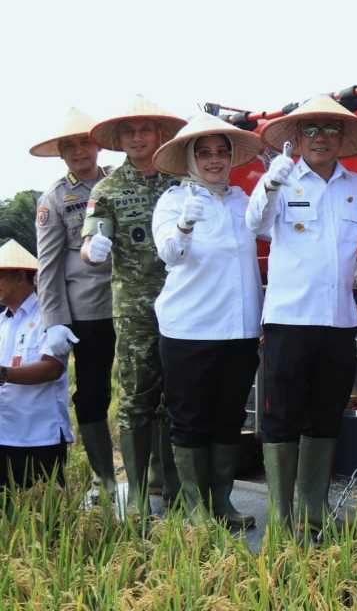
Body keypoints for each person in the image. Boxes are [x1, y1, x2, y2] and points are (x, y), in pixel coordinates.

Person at [246, 95, 357, 532]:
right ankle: (281, 513)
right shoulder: (281, 180)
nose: (320, 138)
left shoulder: (355, 187)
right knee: (281, 418)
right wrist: (273, 180)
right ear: (296, 138)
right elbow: (255, 224)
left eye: (330, 130)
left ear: (342, 138)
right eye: (310, 130)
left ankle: (312, 511)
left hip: (338, 322)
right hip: (288, 322)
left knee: (325, 416)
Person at [151, 112, 265, 527]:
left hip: (238, 327)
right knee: (190, 417)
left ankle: (223, 501)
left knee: (229, 415)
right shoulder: (172, 201)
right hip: (190, 328)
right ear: (189, 158)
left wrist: (275, 188)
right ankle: (194, 506)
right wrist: (184, 224)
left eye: (222, 152)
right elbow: (169, 254)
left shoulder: (242, 201)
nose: (215, 160)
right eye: (205, 153)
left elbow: (278, 231)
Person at [80, 96, 184, 514]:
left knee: (177, 398)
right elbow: (90, 243)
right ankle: (139, 496)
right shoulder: (107, 189)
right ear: (120, 140)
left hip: (183, 308)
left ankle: (176, 488)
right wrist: (94, 250)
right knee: (136, 398)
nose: (138, 137)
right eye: (129, 131)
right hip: (136, 310)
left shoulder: (180, 181)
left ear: (160, 134)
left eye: (145, 130)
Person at [31, 108, 117, 498]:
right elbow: (47, 265)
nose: (80, 151)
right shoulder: (54, 198)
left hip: (132, 300)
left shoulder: (118, 181)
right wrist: (55, 321)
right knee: (94, 391)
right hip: (88, 308)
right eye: (71, 146)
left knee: (151, 388)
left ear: (97, 144)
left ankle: (154, 475)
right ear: (62, 154)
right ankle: (103, 476)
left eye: (85, 142)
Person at [0, 241, 78, 492]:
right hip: (4, 434)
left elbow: (51, 368)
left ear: (20, 277)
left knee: (46, 515)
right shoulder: (2, 322)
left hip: (39, 437)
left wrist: (3, 374)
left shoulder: (51, 317)